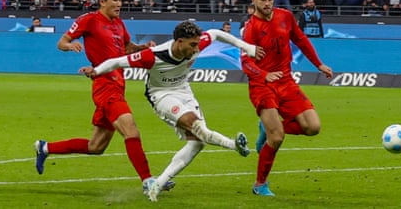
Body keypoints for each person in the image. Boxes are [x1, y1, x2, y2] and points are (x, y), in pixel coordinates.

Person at [79, 20, 265, 202]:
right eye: (192, 45)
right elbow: (116, 62)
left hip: (184, 90)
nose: (196, 49)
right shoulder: (152, 56)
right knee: (196, 125)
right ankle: (235, 145)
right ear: (179, 42)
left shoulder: (198, 43)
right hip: (161, 95)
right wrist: (96, 71)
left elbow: (217, 34)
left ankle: (158, 184)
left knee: (197, 143)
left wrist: (246, 47)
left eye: (197, 44)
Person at [33, 0, 174, 195]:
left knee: (95, 147)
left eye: (121, 0)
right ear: (102, 1)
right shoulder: (89, 20)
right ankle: (148, 181)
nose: (119, 4)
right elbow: (62, 41)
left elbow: (127, 48)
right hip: (105, 87)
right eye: (115, 0)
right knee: (131, 129)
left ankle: (44, 147)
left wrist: (143, 48)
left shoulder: (118, 24)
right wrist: (70, 46)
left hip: (118, 84)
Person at [241, 0, 333, 196]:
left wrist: (318, 64)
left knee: (313, 127)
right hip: (262, 86)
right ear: (253, 0)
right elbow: (245, 63)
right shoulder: (250, 29)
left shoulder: (285, 17)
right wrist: (264, 75)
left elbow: (301, 40)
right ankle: (259, 184)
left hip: (286, 81)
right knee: (277, 137)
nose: (267, 3)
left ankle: (269, 127)